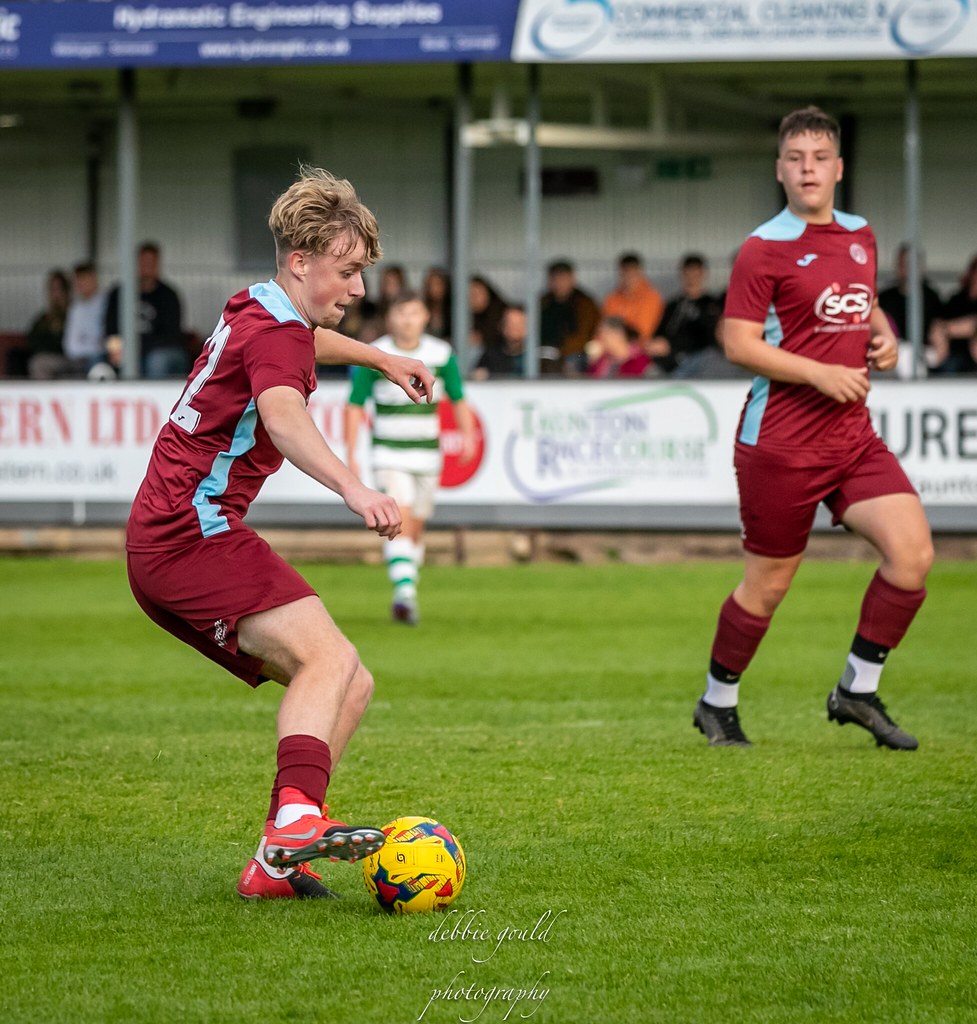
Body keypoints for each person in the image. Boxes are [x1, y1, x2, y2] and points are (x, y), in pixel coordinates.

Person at [125, 168, 436, 901]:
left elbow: (306, 343)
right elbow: (284, 415)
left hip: (171, 537)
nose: (359, 288)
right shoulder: (275, 333)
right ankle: (296, 820)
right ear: (301, 261)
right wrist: (355, 487)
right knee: (329, 659)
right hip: (189, 534)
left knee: (349, 682)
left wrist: (382, 357)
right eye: (347, 271)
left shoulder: (259, 307)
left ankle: (273, 866)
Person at [693, 106, 932, 751]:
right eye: (796, 159)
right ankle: (717, 702)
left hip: (852, 438)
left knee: (912, 557)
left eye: (820, 158)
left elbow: (863, 299)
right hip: (780, 444)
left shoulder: (861, 234)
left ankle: (856, 690)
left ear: (838, 168)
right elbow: (739, 343)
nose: (808, 169)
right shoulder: (762, 248)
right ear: (780, 170)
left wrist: (883, 334)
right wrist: (819, 374)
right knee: (767, 587)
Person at [345, 289, 476, 625]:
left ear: (425, 317)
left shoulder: (440, 354)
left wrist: (468, 436)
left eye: (414, 313)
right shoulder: (375, 354)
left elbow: (458, 398)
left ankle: (406, 588)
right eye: (401, 313)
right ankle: (405, 595)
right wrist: (351, 451)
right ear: (391, 318)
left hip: (427, 455)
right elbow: (355, 404)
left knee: (416, 527)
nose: (407, 320)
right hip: (388, 453)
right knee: (400, 519)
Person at [106, 241, 186, 378]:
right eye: (143, 262)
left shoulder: (168, 295)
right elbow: (111, 328)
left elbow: (171, 335)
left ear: (158, 264)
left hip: (162, 351)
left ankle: (156, 393)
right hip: (127, 350)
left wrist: (135, 348)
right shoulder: (118, 293)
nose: (147, 266)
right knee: (103, 359)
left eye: (151, 262)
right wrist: (115, 348)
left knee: (156, 360)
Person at [649, 254, 724, 376]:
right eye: (688, 274)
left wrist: (672, 346)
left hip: (698, 363)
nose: (691, 279)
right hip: (668, 363)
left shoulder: (711, 305)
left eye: (695, 274)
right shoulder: (673, 305)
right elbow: (659, 334)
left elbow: (709, 341)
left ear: (703, 274)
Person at [539, 259, 600, 374]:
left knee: (573, 360)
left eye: (563, 279)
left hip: (575, 352)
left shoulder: (585, 304)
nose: (559, 283)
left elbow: (584, 336)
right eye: (555, 279)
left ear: (572, 279)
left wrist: (562, 351)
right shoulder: (542, 302)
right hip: (544, 350)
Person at [876, 243, 943, 347]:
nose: (904, 268)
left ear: (920, 266)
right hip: (892, 349)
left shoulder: (931, 298)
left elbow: (938, 331)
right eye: (901, 263)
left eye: (908, 264)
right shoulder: (885, 297)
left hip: (924, 351)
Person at [601, 252, 665, 349]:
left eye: (632, 274)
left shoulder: (652, 297)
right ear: (620, 273)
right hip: (613, 347)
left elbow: (642, 334)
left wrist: (618, 331)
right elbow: (605, 328)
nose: (629, 278)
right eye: (625, 273)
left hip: (639, 349)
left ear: (640, 272)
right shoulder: (612, 298)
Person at [928, 253, 977, 374]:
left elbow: (972, 325)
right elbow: (938, 325)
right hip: (952, 357)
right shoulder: (957, 299)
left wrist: (948, 328)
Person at [62, 262, 109, 377]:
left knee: (95, 361)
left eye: (83, 279)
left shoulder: (105, 303)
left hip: (97, 356)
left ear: (94, 279)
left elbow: (102, 342)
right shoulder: (75, 307)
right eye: (77, 280)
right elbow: (69, 342)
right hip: (75, 358)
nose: (79, 284)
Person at [23, 269, 70, 379]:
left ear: (67, 292)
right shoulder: (43, 319)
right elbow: (32, 341)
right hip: (47, 358)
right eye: (52, 290)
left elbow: (67, 346)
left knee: (39, 363)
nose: (56, 295)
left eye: (59, 289)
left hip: (69, 359)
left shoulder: (74, 314)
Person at [585, 315, 651, 378]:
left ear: (615, 335)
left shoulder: (640, 360)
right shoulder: (602, 361)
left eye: (601, 336)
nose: (598, 340)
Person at [472, 303, 526, 379]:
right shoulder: (490, 356)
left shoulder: (538, 357)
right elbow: (477, 376)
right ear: (501, 326)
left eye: (519, 324)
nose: (514, 328)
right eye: (509, 323)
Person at [467, 275, 507, 374]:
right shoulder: (462, 317)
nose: (474, 298)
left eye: (477, 294)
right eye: (471, 295)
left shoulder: (500, 312)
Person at [422, 266, 452, 341]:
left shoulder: (453, 309)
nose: (434, 288)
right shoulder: (422, 307)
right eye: (430, 285)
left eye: (438, 284)